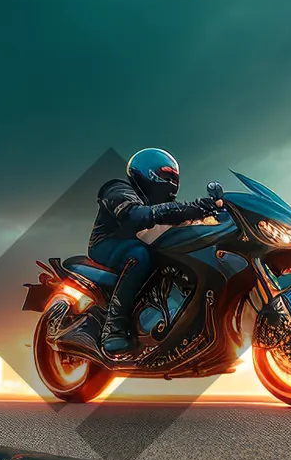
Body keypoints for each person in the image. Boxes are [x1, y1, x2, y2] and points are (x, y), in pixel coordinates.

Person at [88, 149, 221, 356]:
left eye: (174, 178)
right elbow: (135, 216)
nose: (171, 182)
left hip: (141, 244)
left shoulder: (162, 204)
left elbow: (181, 217)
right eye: (167, 176)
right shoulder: (117, 188)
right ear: (149, 172)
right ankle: (113, 327)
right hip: (108, 244)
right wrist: (189, 208)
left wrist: (211, 213)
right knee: (139, 256)